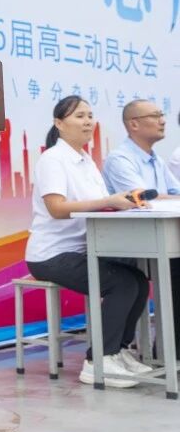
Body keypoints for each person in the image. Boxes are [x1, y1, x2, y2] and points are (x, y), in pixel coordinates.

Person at [25, 95, 149, 387]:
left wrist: (122, 203)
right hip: (51, 255)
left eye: (90, 116)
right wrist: (108, 201)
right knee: (122, 284)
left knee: (139, 281)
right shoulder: (53, 159)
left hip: (83, 249)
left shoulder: (87, 161)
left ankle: (117, 351)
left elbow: (99, 206)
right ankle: (98, 362)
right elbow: (57, 209)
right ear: (59, 123)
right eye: (79, 116)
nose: (88, 122)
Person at [102, 98, 180, 359]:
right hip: (127, 245)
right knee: (176, 269)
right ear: (134, 124)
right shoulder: (120, 159)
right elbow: (143, 198)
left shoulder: (155, 160)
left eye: (162, 115)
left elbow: (174, 192)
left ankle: (168, 350)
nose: (162, 120)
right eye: (155, 116)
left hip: (156, 240)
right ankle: (169, 352)